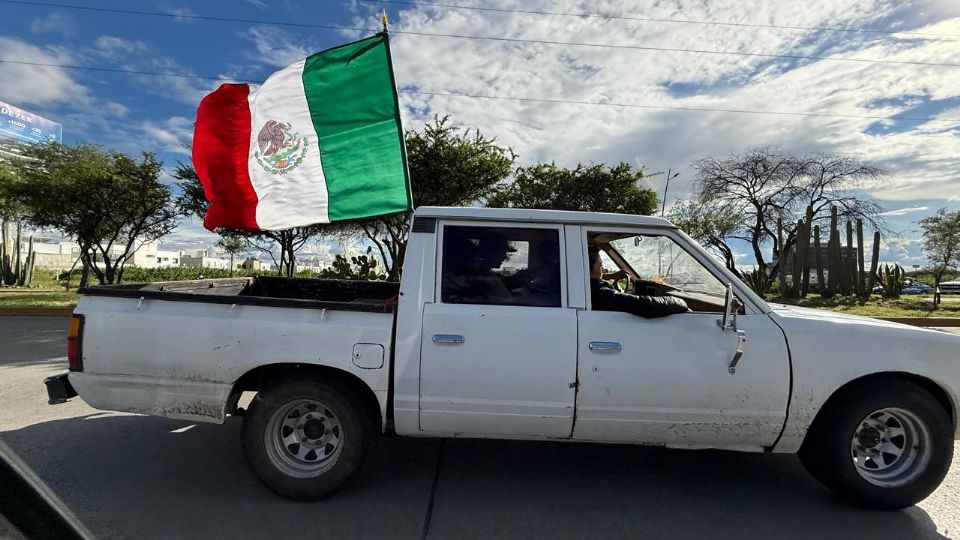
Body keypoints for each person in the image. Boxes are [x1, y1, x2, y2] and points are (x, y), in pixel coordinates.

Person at [588, 247, 688, 318]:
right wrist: (679, 302)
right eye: (600, 264)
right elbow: (647, 306)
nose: (602, 268)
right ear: (590, 267)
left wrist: (612, 276)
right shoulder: (601, 293)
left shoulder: (587, 287)